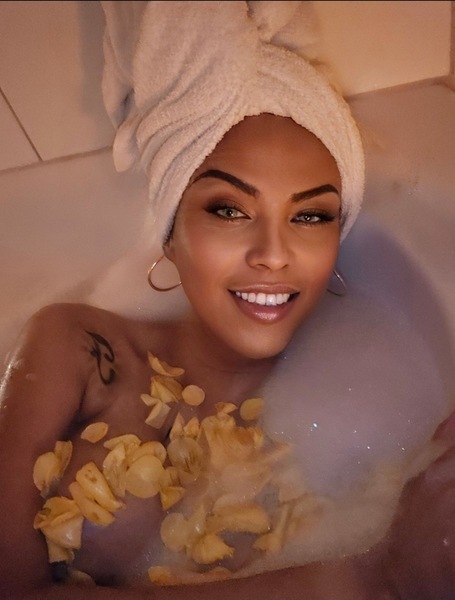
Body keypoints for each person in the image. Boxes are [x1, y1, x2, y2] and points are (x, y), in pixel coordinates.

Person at [0, 2, 450, 599]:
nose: (274, 254)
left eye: (311, 216)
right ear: (170, 233)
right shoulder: (79, 347)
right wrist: (372, 576)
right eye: (229, 210)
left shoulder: (384, 389)